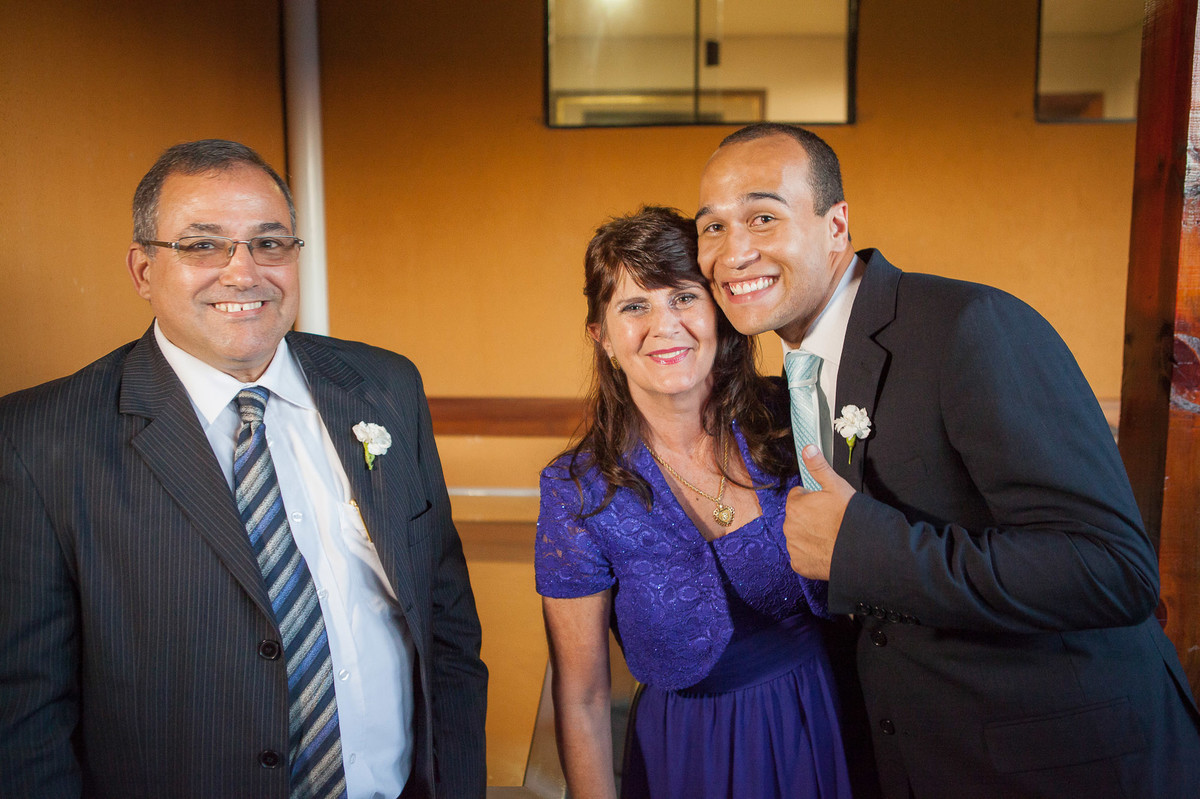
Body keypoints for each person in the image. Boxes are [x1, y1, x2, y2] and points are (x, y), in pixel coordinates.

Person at [694, 121, 1200, 798]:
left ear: (835, 225)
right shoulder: (792, 374)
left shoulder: (969, 326)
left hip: (1064, 761)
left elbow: (1111, 569)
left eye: (763, 217)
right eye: (713, 227)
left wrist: (861, 548)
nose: (733, 252)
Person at [0, 139, 487, 799]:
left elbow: (445, 621)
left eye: (269, 243)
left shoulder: (385, 386)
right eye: (202, 245)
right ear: (143, 270)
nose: (243, 272)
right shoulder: (37, 439)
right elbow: (25, 716)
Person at [536, 206, 852, 799]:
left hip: (824, 724)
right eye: (635, 307)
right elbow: (582, 697)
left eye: (684, 297)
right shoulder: (575, 490)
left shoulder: (792, 417)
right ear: (602, 337)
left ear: (720, 313)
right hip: (685, 756)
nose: (665, 326)